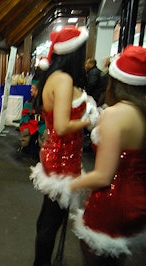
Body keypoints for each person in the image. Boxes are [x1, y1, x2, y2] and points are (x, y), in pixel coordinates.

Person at [68, 45, 146, 265]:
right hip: (138, 202)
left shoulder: (115, 115)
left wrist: (71, 184)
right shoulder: (141, 112)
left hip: (112, 205)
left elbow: (103, 176)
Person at [29, 26, 98, 266]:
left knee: (48, 217)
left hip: (55, 153)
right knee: (52, 219)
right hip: (63, 157)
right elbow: (62, 126)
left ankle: (42, 261)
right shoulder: (64, 79)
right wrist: (89, 119)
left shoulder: (53, 77)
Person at [18, 76, 46, 158]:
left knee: (45, 132)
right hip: (31, 123)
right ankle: (24, 147)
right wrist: (26, 120)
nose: (31, 90)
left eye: (33, 89)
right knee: (25, 129)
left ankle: (43, 152)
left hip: (42, 124)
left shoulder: (46, 103)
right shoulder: (28, 102)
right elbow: (24, 115)